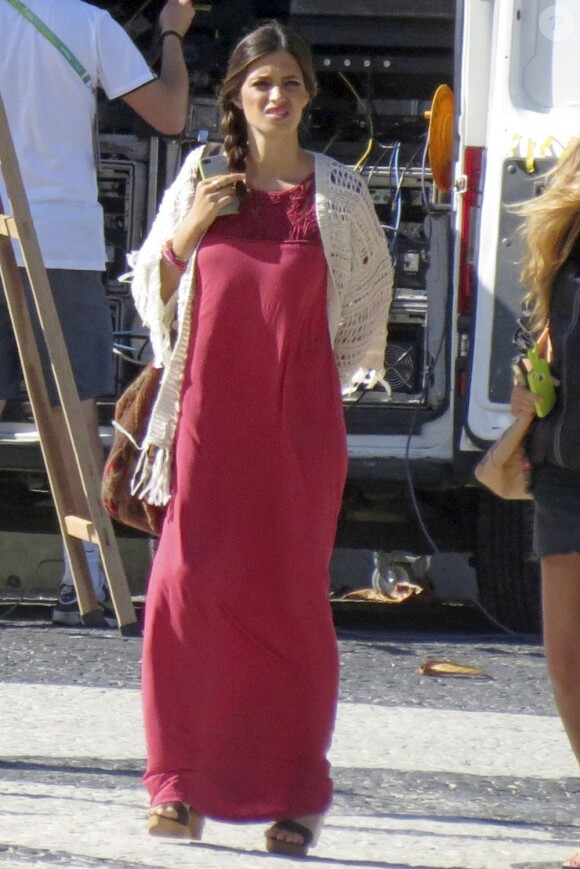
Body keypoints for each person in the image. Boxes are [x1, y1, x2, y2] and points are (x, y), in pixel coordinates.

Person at [129, 20, 393, 857]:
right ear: (237, 98)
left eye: (290, 81)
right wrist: (189, 228)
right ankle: (177, 782)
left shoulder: (341, 194)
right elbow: (151, 293)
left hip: (299, 432)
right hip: (205, 427)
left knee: (289, 608)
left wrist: (303, 380)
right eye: (260, 84)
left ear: (309, 94)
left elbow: (361, 324)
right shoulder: (200, 179)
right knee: (180, 597)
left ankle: (296, 794)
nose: (277, 96)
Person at [0, 0, 195, 626]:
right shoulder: (88, 24)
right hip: (59, 236)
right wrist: (170, 33)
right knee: (71, 408)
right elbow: (170, 115)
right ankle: (77, 579)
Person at [509, 139, 580, 869]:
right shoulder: (563, 236)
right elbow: (551, 337)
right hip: (564, 468)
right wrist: (530, 387)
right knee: (566, 664)